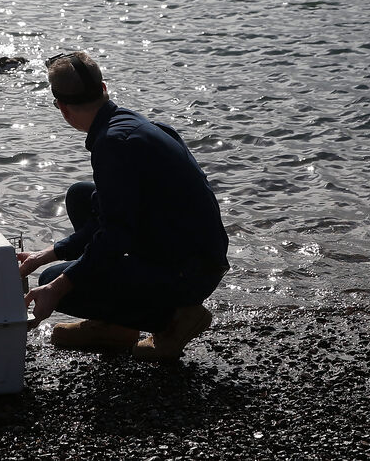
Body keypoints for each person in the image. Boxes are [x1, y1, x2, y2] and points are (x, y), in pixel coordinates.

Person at [18, 52, 228, 361]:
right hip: (197, 256)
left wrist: (59, 287)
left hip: (189, 273)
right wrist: (45, 254)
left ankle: (175, 321)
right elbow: (107, 220)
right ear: (103, 89)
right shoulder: (134, 125)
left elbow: (115, 237)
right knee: (81, 196)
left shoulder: (114, 145)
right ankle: (116, 327)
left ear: (62, 108)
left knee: (50, 280)